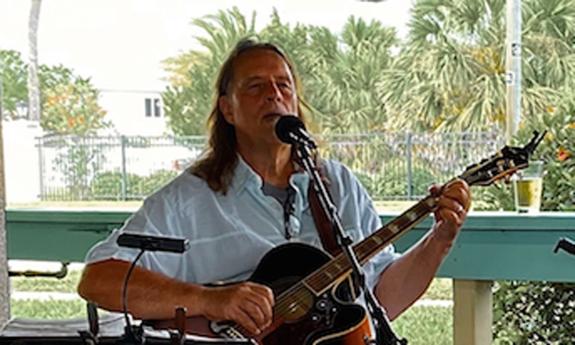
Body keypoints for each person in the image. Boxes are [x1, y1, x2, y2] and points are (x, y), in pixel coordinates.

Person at [77, 38, 470, 338]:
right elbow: (99, 280)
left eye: (284, 85)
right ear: (227, 109)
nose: (274, 95)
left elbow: (381, 298)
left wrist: (441, 238)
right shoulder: (190, 199)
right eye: (255, 86)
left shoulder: (336, 185)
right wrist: (209, 300)